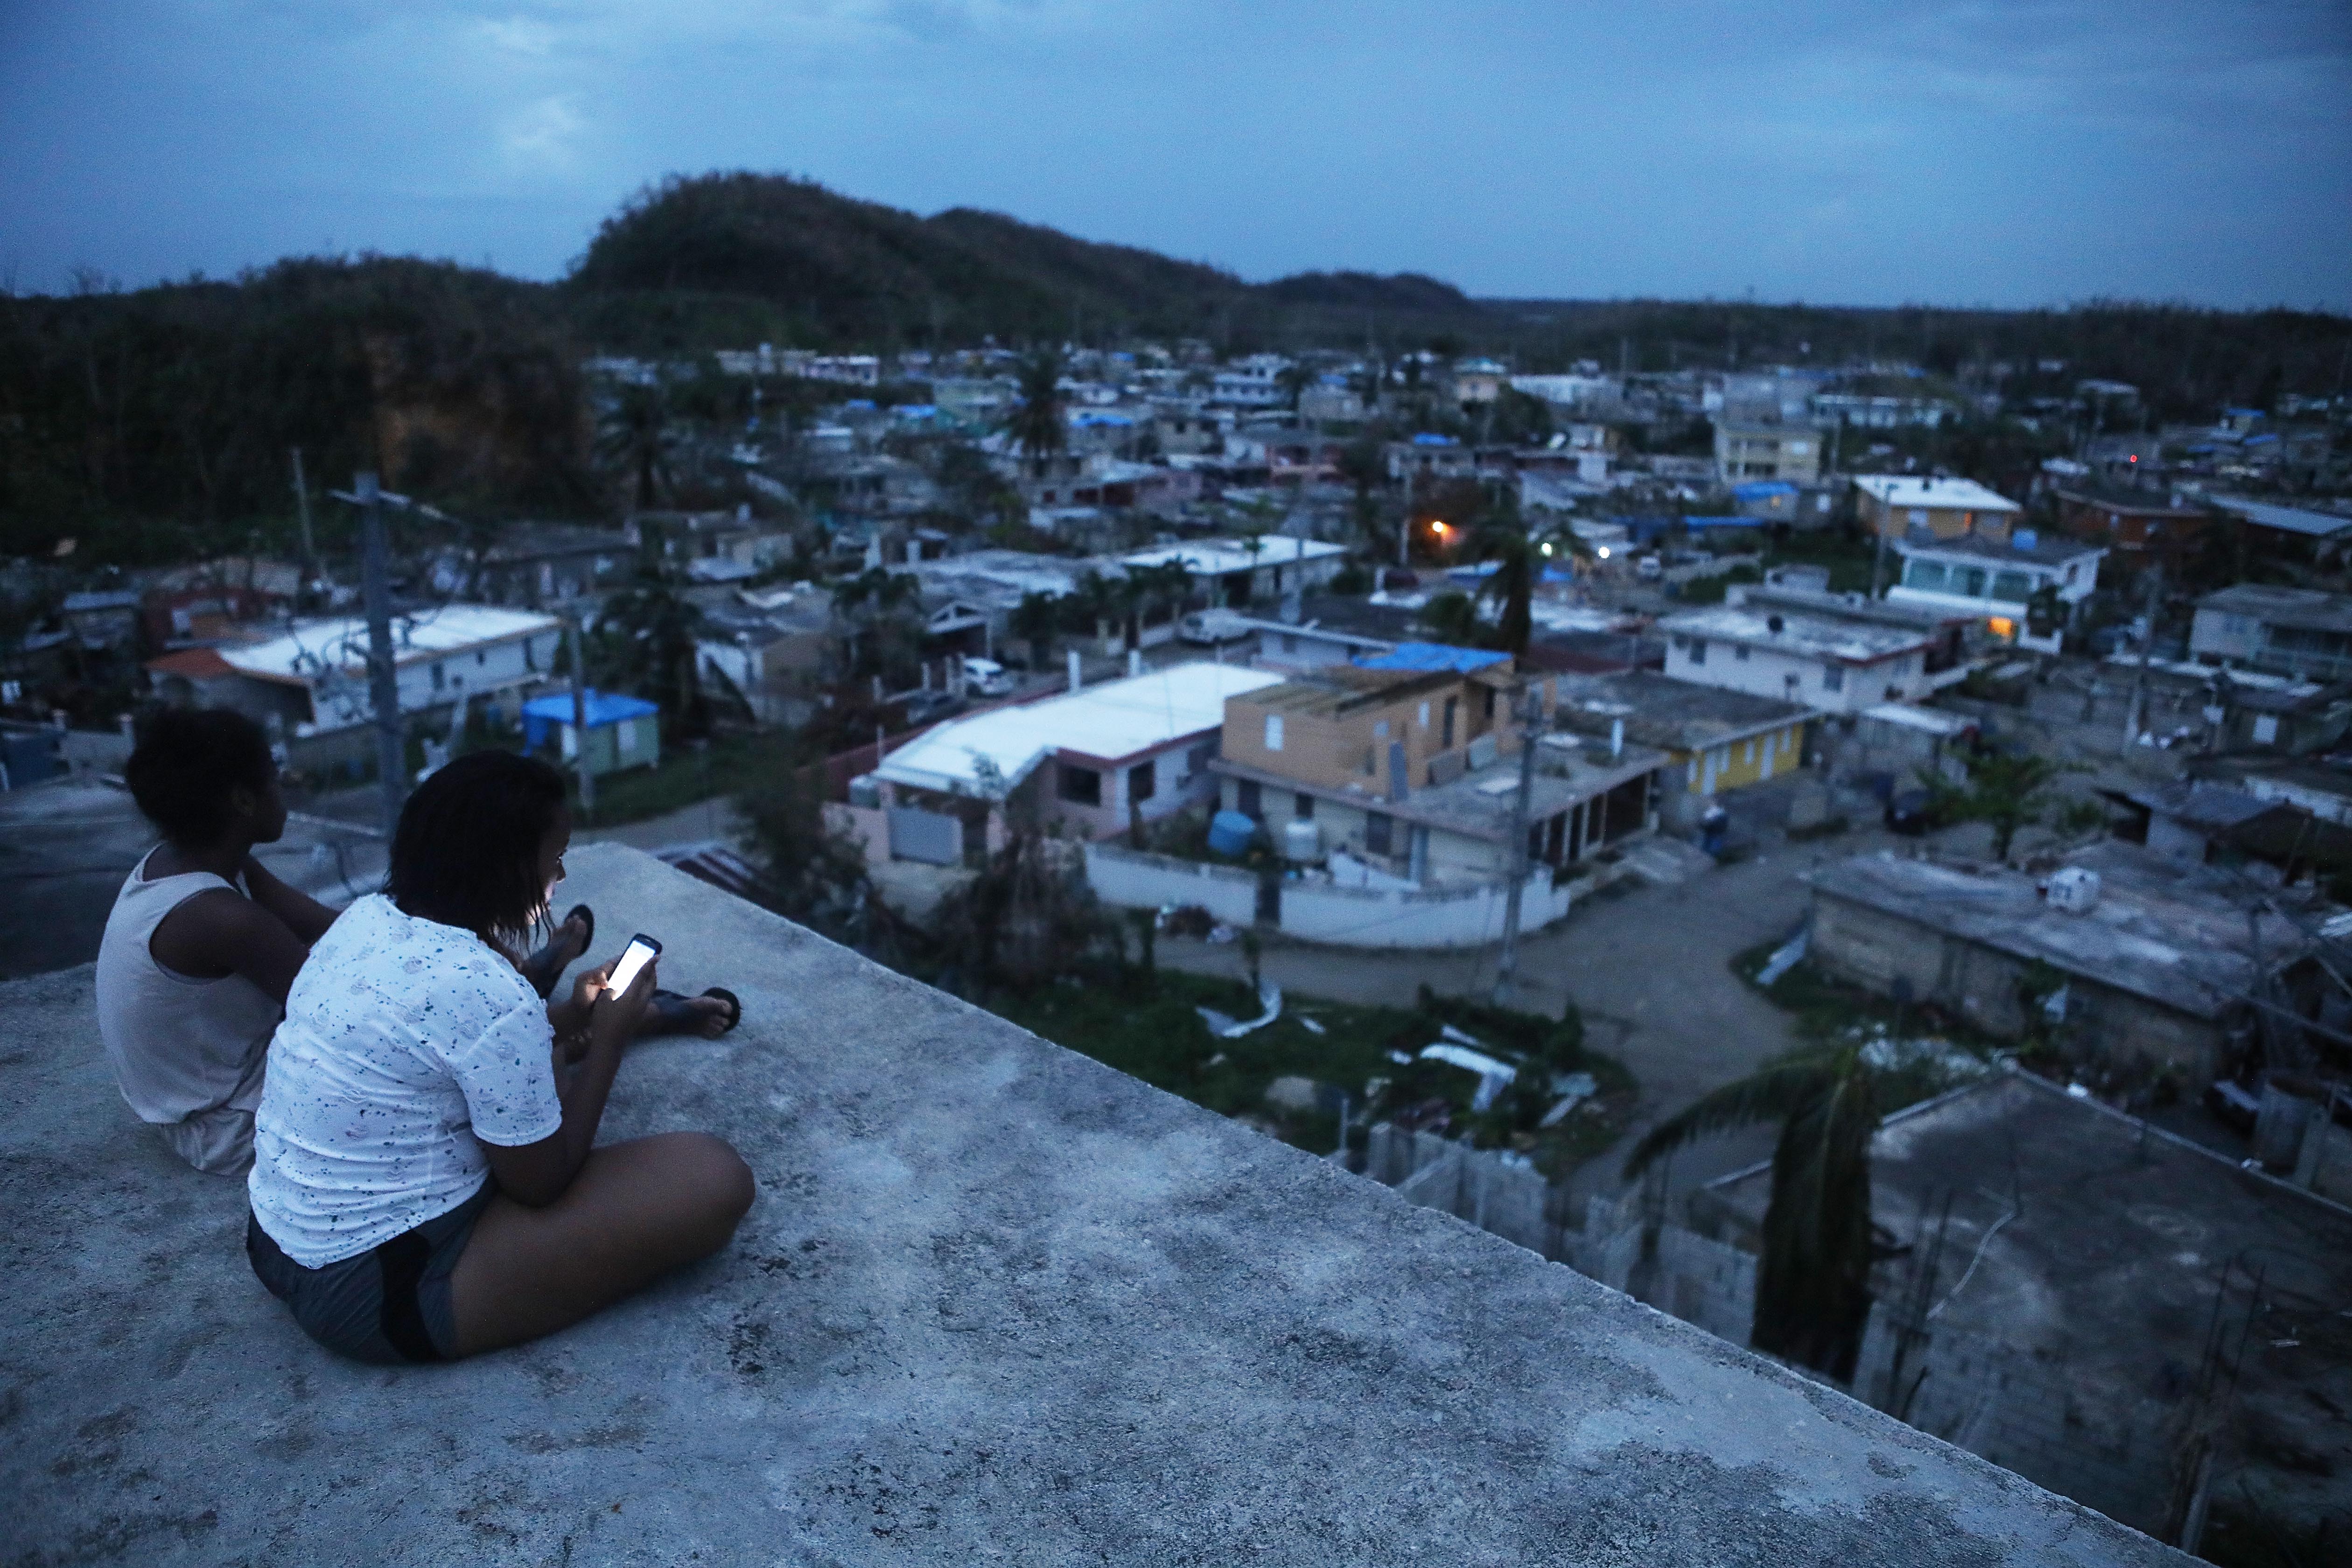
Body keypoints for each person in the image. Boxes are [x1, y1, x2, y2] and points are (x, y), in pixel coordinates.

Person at [244, 749, 754, 1363]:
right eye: (556, 858)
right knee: (713, 1178)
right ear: (508, 869)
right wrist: (611, 1038)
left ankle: (598, 1026)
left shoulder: (365, 922)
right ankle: (622, 1026)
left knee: (536, 1077)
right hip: (372, 1291)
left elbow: (452, 1048)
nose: (560, 876)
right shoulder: (487, 990)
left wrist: (564, 1019)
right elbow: (543, 1183)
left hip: (276, 1240)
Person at [97, 707, 339, 1174]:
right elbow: (348, 1010)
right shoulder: (222, 918)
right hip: (228, 1127)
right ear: (244, 801)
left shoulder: (196, 865)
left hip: (214, 1093)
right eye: (274, 777)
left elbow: (328, 925)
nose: (283, 788)